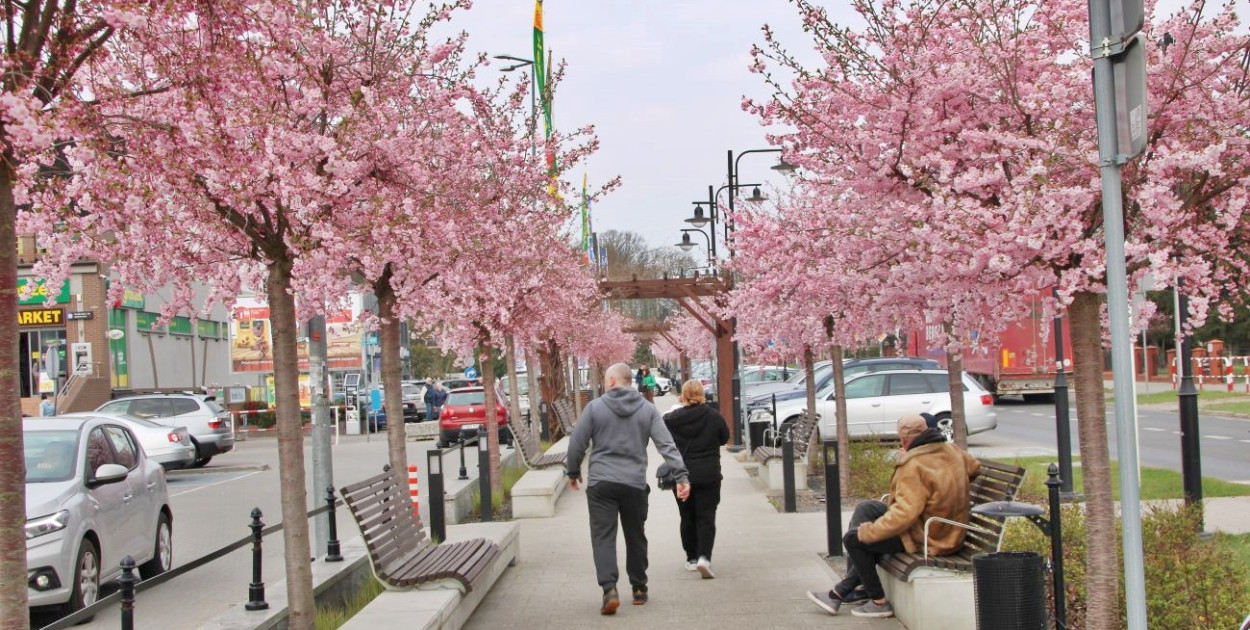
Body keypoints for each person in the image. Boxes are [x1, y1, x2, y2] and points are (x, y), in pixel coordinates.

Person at [807, 414, 980, 618]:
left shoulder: (914, 465)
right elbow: (974, 468)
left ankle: (878, 602)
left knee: (854, 540)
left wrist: (870, 533)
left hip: (927, 535)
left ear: (903, 440)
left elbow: (904, 515)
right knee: (866, 508)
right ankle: (857, 587)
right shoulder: (951, 450)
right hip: (944, 527)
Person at [566, 363, 690, 616]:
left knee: (603, 537)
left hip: (601, 482)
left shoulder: (594, 408)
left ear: (611, 381)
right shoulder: (647, 409)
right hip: (634, 483)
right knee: (636, 535)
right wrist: (681, 476)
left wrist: (573, 471)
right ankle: (639, 588)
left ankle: (609, 589)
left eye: (605, 378)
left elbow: (577, 442)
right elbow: (666, 445)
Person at [662, 380, 728, 579]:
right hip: (709, 474)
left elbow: (664, 441)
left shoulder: (671, 420)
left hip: (682, 475)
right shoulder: (714, 417)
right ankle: (704, 557)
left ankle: (691, 558)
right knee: (706, 517)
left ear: (683, 395)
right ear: (702, 394)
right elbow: (724, 438)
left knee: (687, 516)